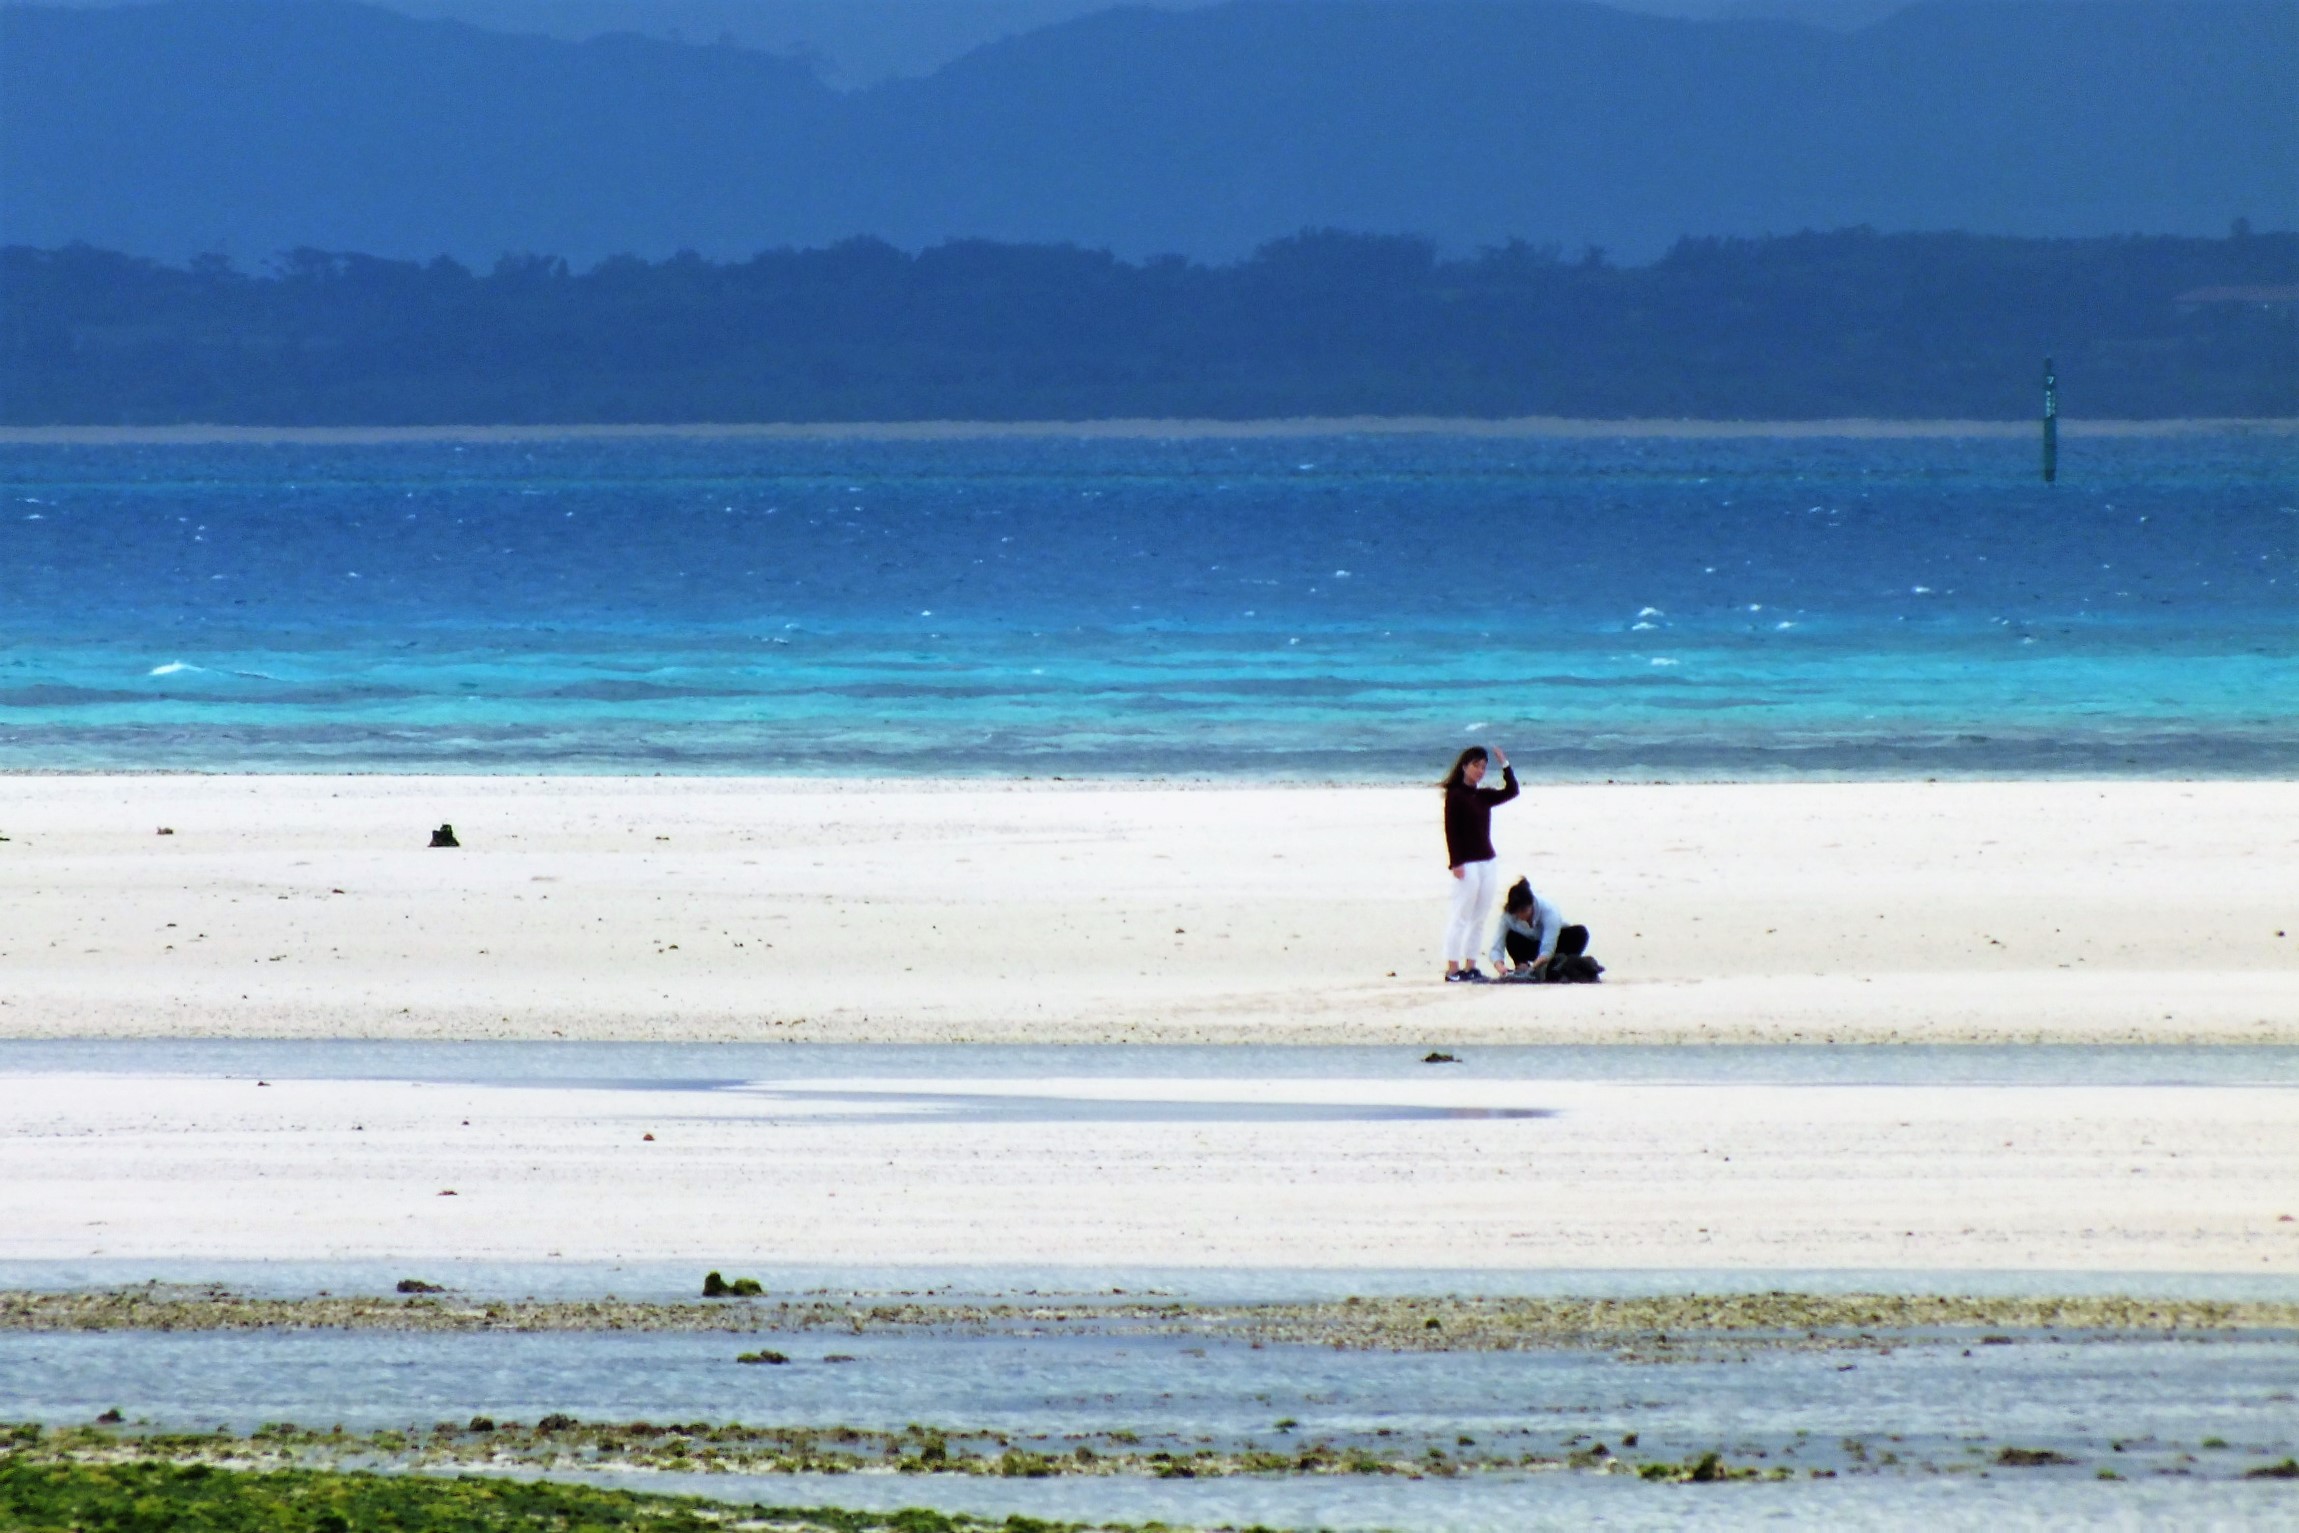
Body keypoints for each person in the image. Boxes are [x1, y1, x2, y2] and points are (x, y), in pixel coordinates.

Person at [1441, 744, 1517, 981]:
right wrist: (1456, 862)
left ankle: (1471, 964)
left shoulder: (1482, 796)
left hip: (1487, 861)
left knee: (1480, 917)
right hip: (1467, 862)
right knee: (1461, 915)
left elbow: (1512, 790)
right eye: (1476, 765)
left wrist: (1504, 764)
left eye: (1483, 767)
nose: (1480, 771)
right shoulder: (1455, 795)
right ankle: (1453, 969)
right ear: (1465, 766)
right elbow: (1450, 830)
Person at [1490, 876, 1591, 980]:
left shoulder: (1549, 910)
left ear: (1531, 903)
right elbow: (1497, 947)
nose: (1520, 916)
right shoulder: (1508, 915)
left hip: (1556, 945)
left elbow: (1547, 949)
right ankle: (1521, 964)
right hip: (1529, 945)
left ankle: (1558, 964)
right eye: (1517, 913)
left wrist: (1531, 970)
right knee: (1511, 936)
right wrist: (1500, 967)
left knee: (1580, 933)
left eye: (1523, 910)